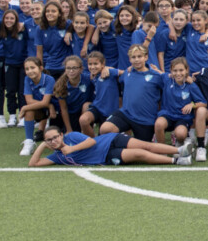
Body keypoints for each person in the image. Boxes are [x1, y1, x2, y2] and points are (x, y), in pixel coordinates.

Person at [28, 127, 193, 167]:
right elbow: (33, 164)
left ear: (61, 135)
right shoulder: (56, 157)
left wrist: (71, 149)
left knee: (146, 145)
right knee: (139, 154)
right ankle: (176, 161)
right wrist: (42, 144)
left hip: (109, 140)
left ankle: (180, 150)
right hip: (105, 157)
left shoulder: (71, 137)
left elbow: (91, 141)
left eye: (55, 137)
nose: (53, 141)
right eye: (50, 140)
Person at [99, 45, 164, 143]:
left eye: (139, 56)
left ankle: (133, 141)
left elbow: (170, 83)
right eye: (133, 57)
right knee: (105, 129)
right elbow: (118, 73)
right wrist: (105, 68)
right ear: (129, 59)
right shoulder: (128, 72)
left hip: (145, 120)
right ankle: (118, 143)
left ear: (146, 57)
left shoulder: (156, 75)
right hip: (126, 114)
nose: (136, 60)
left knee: (142, 151)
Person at [18, 56, 57, 156]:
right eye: (27, 69)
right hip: (44, 109)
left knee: (57, 137)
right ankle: (29, 142)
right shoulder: (27, 79)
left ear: (40, 68)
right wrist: (49, 106)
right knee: (29, 111)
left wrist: (24, 107)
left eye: (32, 67)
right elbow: (29, 100)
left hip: (55, 111)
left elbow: (44, 102)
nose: (30, 71)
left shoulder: (49, 79)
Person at [0, 8, 29, 128]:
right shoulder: (1, 31)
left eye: (12, 18)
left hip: (23, 64)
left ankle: (22, 115)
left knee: (22, 91)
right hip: (9, 64)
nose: (9, 20)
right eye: (7, 18)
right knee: (11, 90)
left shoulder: (23, 29)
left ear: (16, 19)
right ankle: (12, 115)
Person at [53, 55, 91, 134]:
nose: (71, 71)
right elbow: (64, 109)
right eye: (68, 68)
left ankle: (86, 132)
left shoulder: (88, 78)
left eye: (74, 68)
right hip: (72, 114)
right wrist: (69, 129)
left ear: (81, 69)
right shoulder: (61, 85)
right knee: (70, 136)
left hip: (87, 111)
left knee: (86, 105)